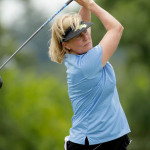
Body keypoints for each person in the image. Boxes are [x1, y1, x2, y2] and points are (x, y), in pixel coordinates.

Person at [49, 0, 131, 149]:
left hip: (105, 139)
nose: (86, 37)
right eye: (78, 36)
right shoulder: (87, 64)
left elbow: (84, 21)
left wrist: (84, 4)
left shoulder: (78, 55)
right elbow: (116, 28)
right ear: (65, 44)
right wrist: (90, 4)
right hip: (95, 143)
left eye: (85, 31)